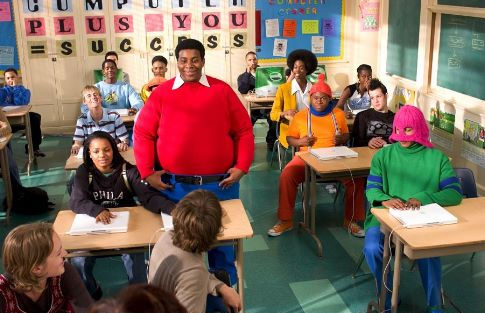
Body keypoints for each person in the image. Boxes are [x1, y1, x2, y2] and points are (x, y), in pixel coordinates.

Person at [134, 38, 254, 285]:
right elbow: (143, 133)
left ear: (203, 61)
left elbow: (243, 130)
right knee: (180, 248)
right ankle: (188, 297)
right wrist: (146, 172)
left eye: (195, 60)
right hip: (176, 188)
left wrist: (242, 165)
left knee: (222, 248)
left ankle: (225, 302)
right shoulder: (162, 94)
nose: (189, 65)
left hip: (220, 186)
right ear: (176, 62)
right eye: (183, 60)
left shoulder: (221, 91)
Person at [363, 105, 462, 312]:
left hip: (423, 221)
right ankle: (387, 296)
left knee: (428, 251)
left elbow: (454, 193)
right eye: (398, 130)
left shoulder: (437, 158)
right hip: (385, 219)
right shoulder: (383, 156)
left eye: (408, 130)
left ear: (418, 128)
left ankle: (435, 305)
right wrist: (384, 199)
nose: (402, 136)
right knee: (372, 248)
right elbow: (371, 189)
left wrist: (423, 198)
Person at [69, 131, 175, 300]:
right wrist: (97, 210)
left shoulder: (128, 170)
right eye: (96, 151)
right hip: (93, 227)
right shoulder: (84, 172)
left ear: (114, 150)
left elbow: (148, 197)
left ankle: (137, 298)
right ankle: (91, 293)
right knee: (78, 260)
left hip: (126, 227)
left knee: (135, 261)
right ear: (89, 153)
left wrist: (173, 209)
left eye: (107, 149)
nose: (102, 155)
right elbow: (76, 202)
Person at [268, 74, 352, 236]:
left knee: (356, 178)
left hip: (334, 158)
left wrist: (342, 138)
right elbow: (289, 138)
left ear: (330, 99)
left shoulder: (338, 115)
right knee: (287, 175)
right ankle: (285, 220)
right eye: (315, 98)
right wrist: (301, 142)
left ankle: (351, 220)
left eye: (323, 98)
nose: (319, 101)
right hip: (306, 158)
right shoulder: (300, 116)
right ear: (310, 98)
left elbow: (347, 135)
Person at [149, 190, 241, 313]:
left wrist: (221, 287)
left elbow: (191, 275)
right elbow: (193, 275)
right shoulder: (194, 272)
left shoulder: (167, 237)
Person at [0, 223, 93, 313]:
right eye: (58, 253)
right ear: (37, 269)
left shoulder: (65, 273)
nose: (65, 253)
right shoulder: (3, 292)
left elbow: (89, 308)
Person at [270, 49, 318, 149]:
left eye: (301, 68)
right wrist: (285, 113)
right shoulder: (283, 88)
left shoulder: (314, 88)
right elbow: (273, 114)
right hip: (292, 131)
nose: (297, 71)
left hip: (312, 127)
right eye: (295, 67)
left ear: (307, 69)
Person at [71, 85, 129, 155]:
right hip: (92, 156)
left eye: (95, 94)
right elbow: (78, 143)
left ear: (101, 98)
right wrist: (76, 146)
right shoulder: (81, 120)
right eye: (89, 96)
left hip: (111, 154)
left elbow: (124, 139)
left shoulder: (114, 116)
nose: (93, 97)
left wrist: (124, 143)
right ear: (84, 101)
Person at [0, 68, 45, 157]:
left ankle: (33, 148)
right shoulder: (2, 91)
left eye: (13, 77)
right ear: (5, 80)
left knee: (35, 117)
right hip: (5, 120)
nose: (10, 80)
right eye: (8, 78)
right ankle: (5, 154)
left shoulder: (25, 91)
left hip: (19, 119)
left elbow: (20, 103)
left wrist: (16, 88)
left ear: (18, 78)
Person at [237, 51, 276, 150]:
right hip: (253, 108)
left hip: (268, 106)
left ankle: (271, 142)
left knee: (274, 120)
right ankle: (249, 142)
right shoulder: (242, 77)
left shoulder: (266, 73)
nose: (253, 62)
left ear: (257, 60)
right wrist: (247, 74)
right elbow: (243, 90)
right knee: (246, 123)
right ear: (246, 62)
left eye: (254, 59)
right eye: (250, 60)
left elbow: (274, 87)